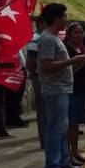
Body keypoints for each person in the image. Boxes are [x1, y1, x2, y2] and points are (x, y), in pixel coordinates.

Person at [38, 3, 85, 168]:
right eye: (63, 16)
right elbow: (46, 66)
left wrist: (77, 62)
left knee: (62, 128)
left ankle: (63, 161)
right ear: (55, 18)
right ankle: (52, 167)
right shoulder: (47, 38)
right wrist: (72, 61)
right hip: (55, 90)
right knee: (55, 129)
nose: (65, 20)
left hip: (63, 88)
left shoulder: (54, 38)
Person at [63, 23, 85, 165]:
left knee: (76, 125)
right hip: (73, 89)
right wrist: (80, 62)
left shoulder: (82, 47)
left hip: (84, 88)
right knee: (71, 123)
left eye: (81, 32)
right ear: (69, 35)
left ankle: (75, 151)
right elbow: (67, 69)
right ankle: (68, 154)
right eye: (76, 33)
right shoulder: (67, 49)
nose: (80, 35)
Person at [27, 17, 47, 149]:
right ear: (40, 24)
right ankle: (44, 140)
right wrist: (35, 73)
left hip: (44, 77)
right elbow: (30, 60)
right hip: (40, 78)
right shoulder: (36, 38)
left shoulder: (46, 37)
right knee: (44, 110)